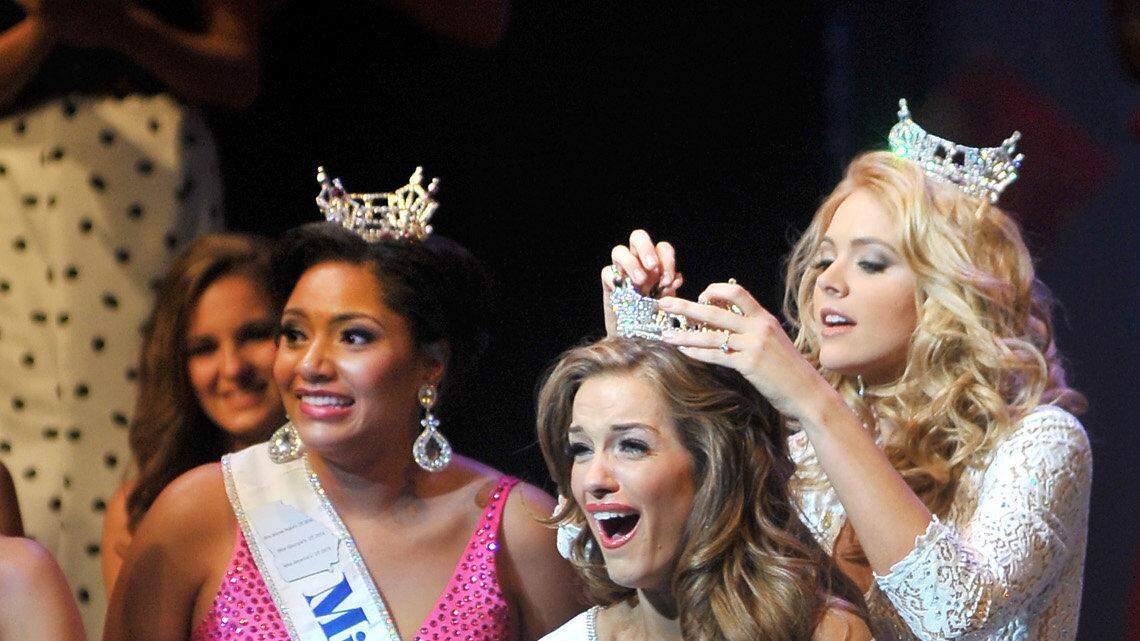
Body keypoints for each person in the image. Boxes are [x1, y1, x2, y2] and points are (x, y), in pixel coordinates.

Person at [598, 101, 1091, 641]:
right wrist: (635, 344)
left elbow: (955, 619)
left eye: (871, 262)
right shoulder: (799, 444)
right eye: (824, 258)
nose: (830, 280)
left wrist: (812, 402)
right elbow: (616, 547)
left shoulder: (1041, 444)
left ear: (946, 293)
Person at [104, 168, 580, 641]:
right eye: (294, 334)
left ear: (431, 363)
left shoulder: (520, 534)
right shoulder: (199, 514)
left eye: (353, 337)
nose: (310, 364)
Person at [0, 1, 260, 631]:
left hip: (154, 174)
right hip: (16, 178)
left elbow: (239, 71)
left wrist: (119, 24)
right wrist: (45, 29)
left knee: (151, 421)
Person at [535, 335, 870, 641]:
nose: (593, 479)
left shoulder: (826, 633)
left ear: (713, 465)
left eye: (631, 446)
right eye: (580, 449)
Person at [100, 234, 285, 592]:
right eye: (203, 349)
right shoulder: (139, 511)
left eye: (254, 335)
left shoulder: (352, 488)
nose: (232, 368)